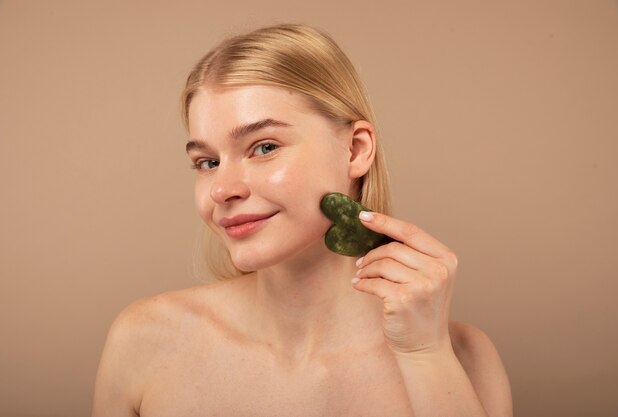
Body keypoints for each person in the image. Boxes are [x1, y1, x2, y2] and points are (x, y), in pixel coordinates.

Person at [91, 23, 513, 417]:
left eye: (264, 147)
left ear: (355, 150)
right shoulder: (146, 339)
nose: (222, 189)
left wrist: (425, 355)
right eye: (207, 162)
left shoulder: (464, 357)